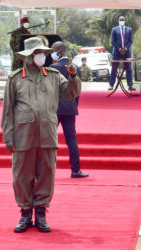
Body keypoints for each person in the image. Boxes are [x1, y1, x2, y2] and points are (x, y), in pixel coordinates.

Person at [1, 37, 81, 233]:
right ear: (28, 57)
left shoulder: (54, 76)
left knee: (46, 173)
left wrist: (73, 77)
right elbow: (7, 110)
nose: (42, 57)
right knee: (22, 175)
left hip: (47, 132)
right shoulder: (15, 78)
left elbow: (70, 93)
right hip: (23, 134)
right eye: (38, 53)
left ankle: (42, 212)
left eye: (43, 53)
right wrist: (8, 136)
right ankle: (26, 213)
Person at [50, 41, 89, 178]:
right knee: (71, 140)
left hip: (54, 108)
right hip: (70, 108)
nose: (51, 53)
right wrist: (73, 105)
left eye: (53, 50)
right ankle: (75, 169)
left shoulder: (53, 67)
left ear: (60, 51)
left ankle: (47, 170)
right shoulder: (76, 68)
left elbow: (50, 90)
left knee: (49, 140)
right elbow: (77, 90)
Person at [109, 16, 135, 91]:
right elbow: (112, 41)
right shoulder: (114, 30)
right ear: (118, 21)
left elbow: (131, 41)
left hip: (127, 52)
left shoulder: (129, 30)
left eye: (123, 20)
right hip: (117, 52)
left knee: (128, 68)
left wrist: (125, 48)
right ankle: (111, 85)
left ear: (125, 21)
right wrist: (120, 49)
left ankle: (130, 85)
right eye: (120, 20)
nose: (121, 21)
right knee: (114, 68)